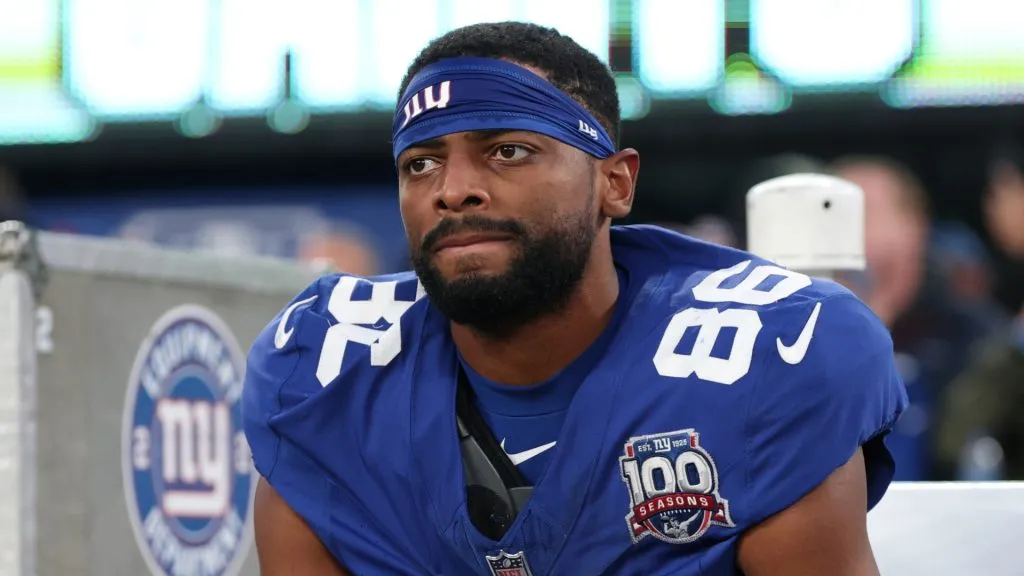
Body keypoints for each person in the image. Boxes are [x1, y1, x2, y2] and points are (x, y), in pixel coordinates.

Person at [243, 22, 907, 576]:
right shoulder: (325, 375)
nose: (454, 189)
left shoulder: (768, 358)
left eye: (507, 150)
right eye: (421, 163)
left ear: (614, 184)